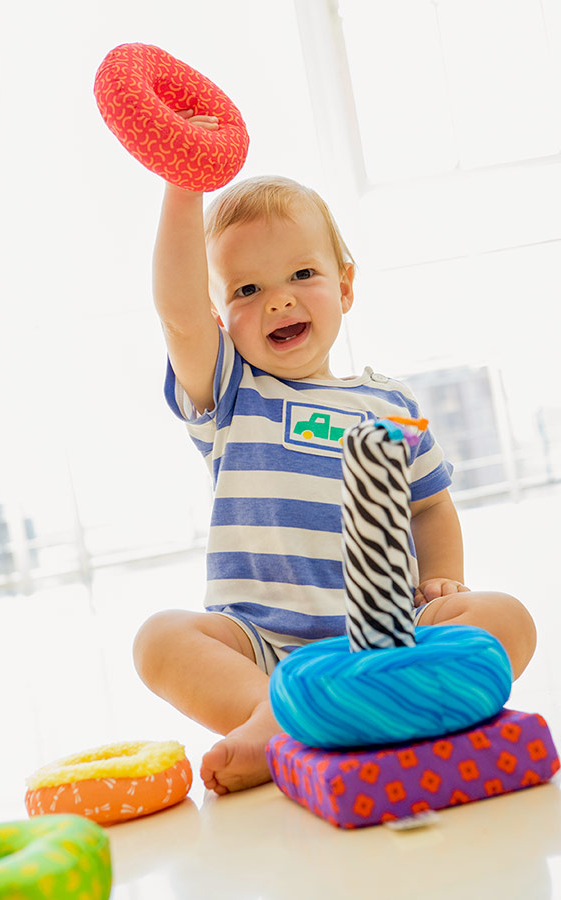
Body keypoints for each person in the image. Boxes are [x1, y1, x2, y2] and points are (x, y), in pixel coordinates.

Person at [133, 112, 536, 796]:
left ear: (345, 286)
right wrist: (183, 180)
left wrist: (443, 578)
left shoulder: (392, 404)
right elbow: (177, 312)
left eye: (301, 273)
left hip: (385, 636)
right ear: (219, 314)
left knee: (508, 618)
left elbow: (431, 506)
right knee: (159, 639)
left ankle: (361, 708)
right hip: (262, 647)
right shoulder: (233, 392)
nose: (279, 298)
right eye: (246, 290)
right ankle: (281, 716)